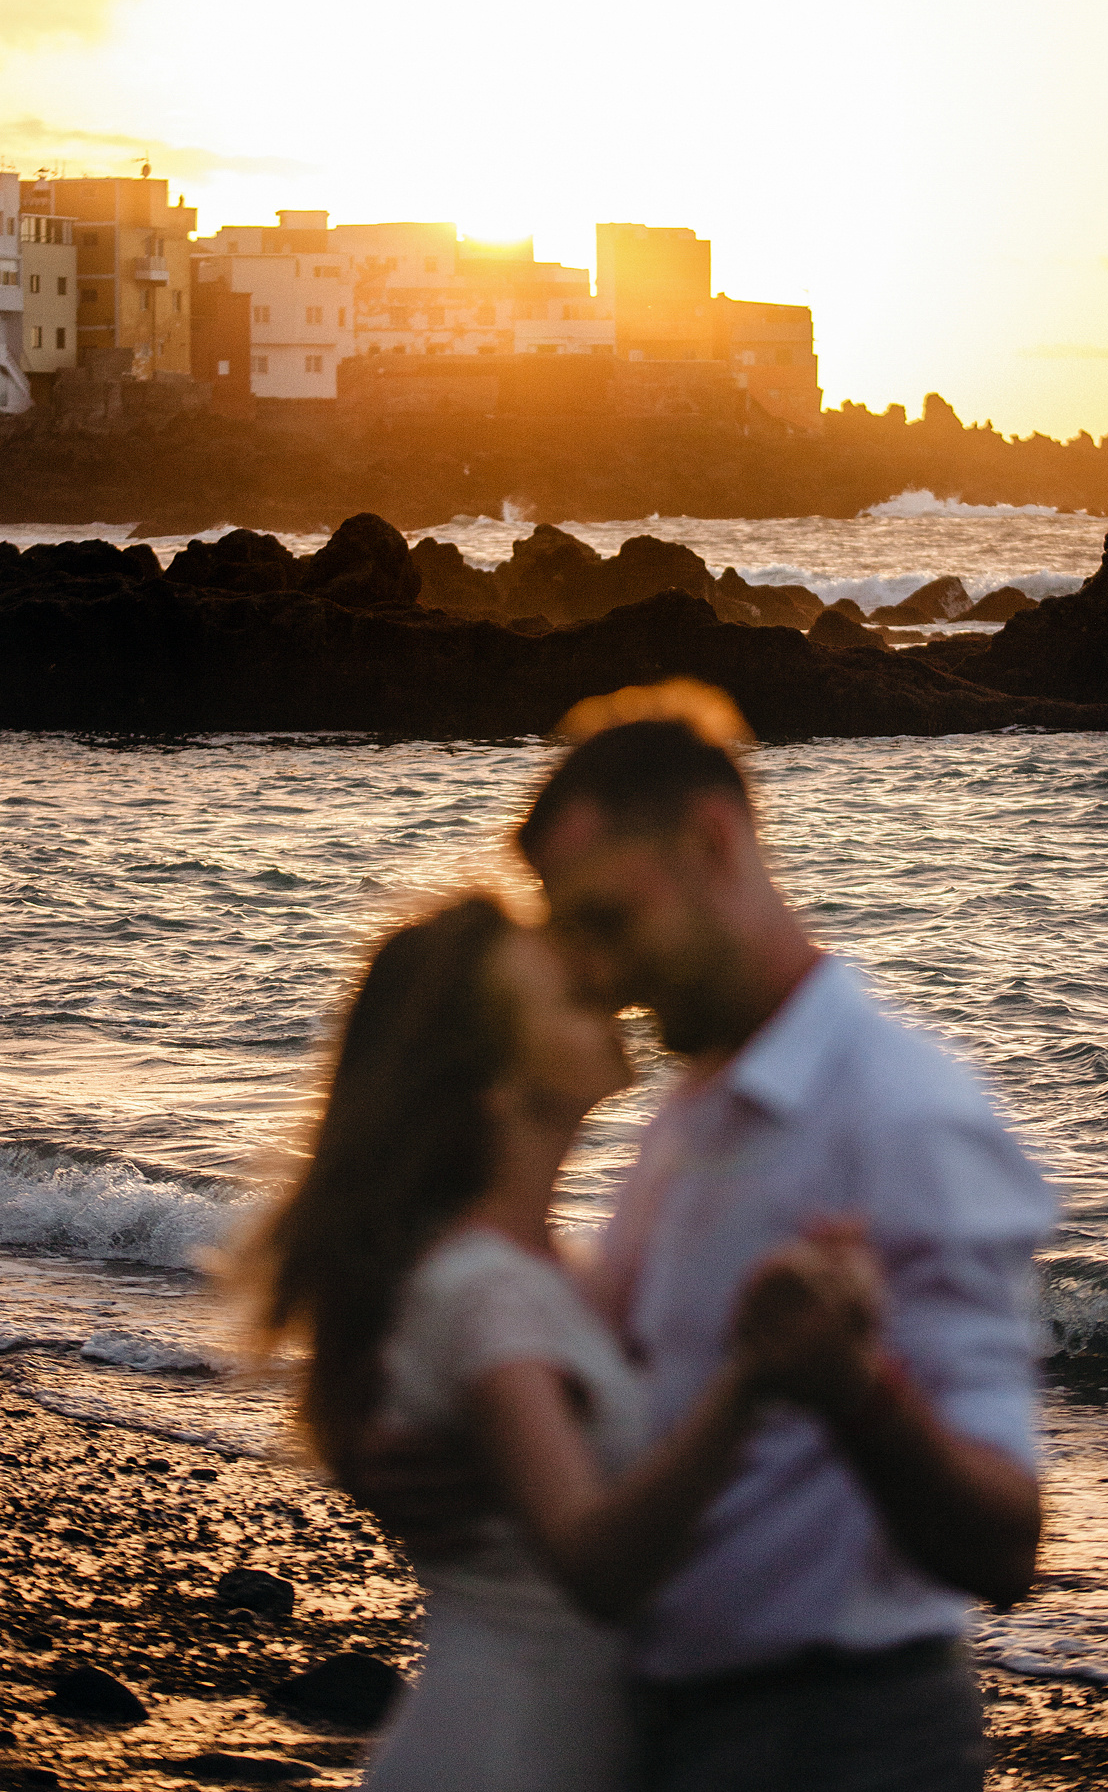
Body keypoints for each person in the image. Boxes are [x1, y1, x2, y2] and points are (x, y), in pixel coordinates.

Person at [357, 705, 1058, 1792]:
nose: (594, 973)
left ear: (712, 843)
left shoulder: (902, 1116)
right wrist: (447, 1455)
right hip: (673, 1721)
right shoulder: (687, 1121)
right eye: (571, 933)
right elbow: (601, 1389)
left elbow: (1005, 1545)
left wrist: (854, 1389)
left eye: (606, 918)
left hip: (837, 1732)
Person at [241, 890, 887, 1792]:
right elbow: (594, 1562)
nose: (609, 997)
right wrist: (753, 1381)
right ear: (499, 1081)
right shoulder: (487, 1292)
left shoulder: (564, 1277)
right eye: (569, 995)